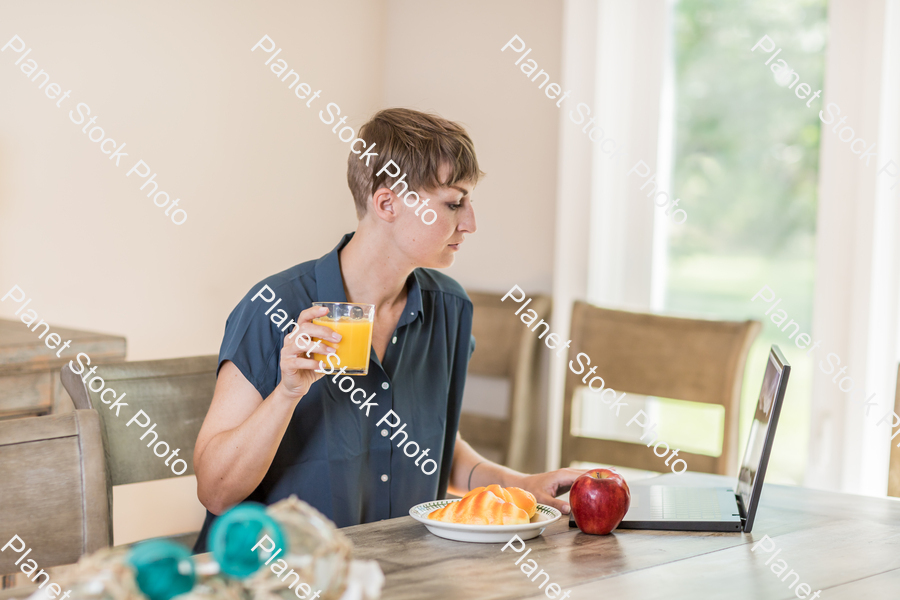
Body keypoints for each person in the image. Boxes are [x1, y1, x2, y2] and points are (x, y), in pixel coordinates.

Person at [192, 108, 585, 552]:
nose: (470, 222)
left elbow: (433, 447)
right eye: (454, 203)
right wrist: (287, 392)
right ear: (387, 203)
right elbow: (216, 492)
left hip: (393, 576)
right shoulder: (274, 307)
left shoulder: (448, 308)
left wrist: (523, 484)